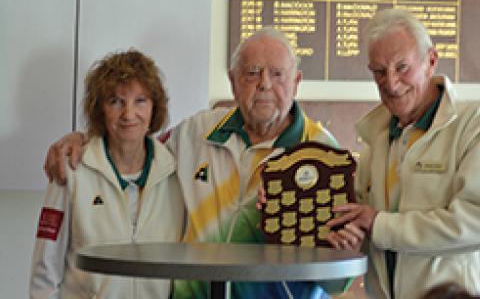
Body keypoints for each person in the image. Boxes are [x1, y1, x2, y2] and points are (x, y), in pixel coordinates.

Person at [42, 28, 350, 298]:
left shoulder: (323, 153)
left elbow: (340, 278)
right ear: (233, 82)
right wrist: (83, 139)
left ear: (296, 81)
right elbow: (131, 142)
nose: (264, 84)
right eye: (252, 73)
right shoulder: (197, 133)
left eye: (277, 74)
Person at [326, 8, 480, 299]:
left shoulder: (478, 129)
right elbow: (370, 230)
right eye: (379, 71)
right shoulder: (375, 141)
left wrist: (379, 224)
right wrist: (351, 238)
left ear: (431, 61)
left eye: (402, 67)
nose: (391, 84)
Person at [30, 49, 185, 298]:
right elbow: (44, 272)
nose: (128, 114)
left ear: (154, 108)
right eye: (116, 101)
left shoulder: (176, 173)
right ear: (100, 109)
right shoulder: (71, 170)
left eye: (140, 101)